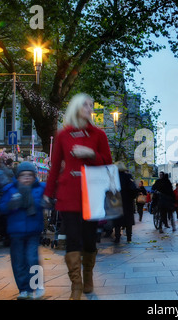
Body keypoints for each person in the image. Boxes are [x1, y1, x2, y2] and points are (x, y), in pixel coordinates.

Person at [43, 93, 113, 299]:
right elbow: (54, 167)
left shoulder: (99, 135)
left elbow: (108, 163)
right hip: (68, 195)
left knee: (90, 240)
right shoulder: (63, 135)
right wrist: (48, 193)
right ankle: (76, 285)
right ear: (75, 107)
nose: (90, 108)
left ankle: (88, 275)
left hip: (91, 195)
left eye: (91, 105)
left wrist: (91, 154)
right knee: (72, 239)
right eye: (85, 104)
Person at [0, 162, 46, 299]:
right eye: (23, 175)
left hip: (33, 230)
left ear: (34, 176)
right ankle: (23, 289)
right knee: (18, 261)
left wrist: (45, 203)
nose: (26, 178)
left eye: (30, 175)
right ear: (17, 177)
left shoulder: (40, 188)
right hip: (16, 231)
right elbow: (2, 208)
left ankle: (36, 287)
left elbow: (47, 202)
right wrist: (12, 204)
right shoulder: (10, 189)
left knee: (32, 259)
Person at [112, 162, 138, 243]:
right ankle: (129, 237)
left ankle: (117, 237)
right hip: (127, 202)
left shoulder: (114, 177)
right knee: (128, 221)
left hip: (117, 201)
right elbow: (133, 189)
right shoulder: (128, 176)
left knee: (117, 221)